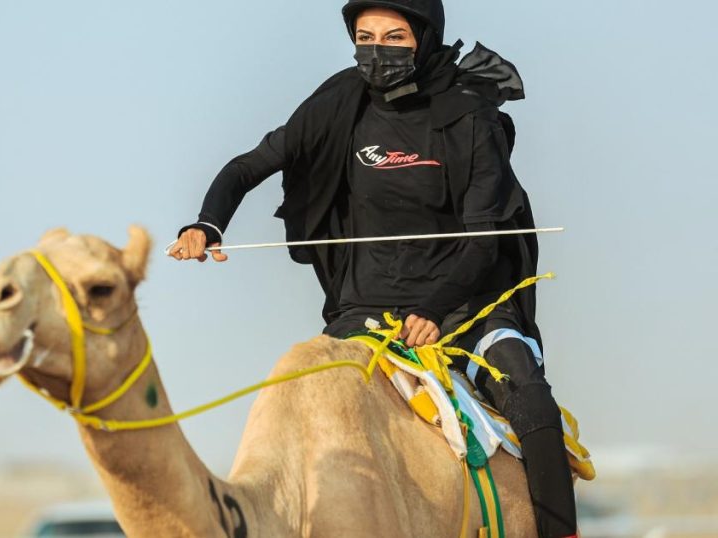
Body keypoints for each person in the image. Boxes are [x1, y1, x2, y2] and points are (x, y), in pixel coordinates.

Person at [169, 1, 577, 536]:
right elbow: (249, 166)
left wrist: (433, 309)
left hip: (465, 306)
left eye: (395, 36)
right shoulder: (339, 105)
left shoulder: (468, 116)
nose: (377, 50)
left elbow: (484, 240)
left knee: (531, 396)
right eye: (365, 36)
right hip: (365, 311)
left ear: (425, 39)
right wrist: (208, 223)